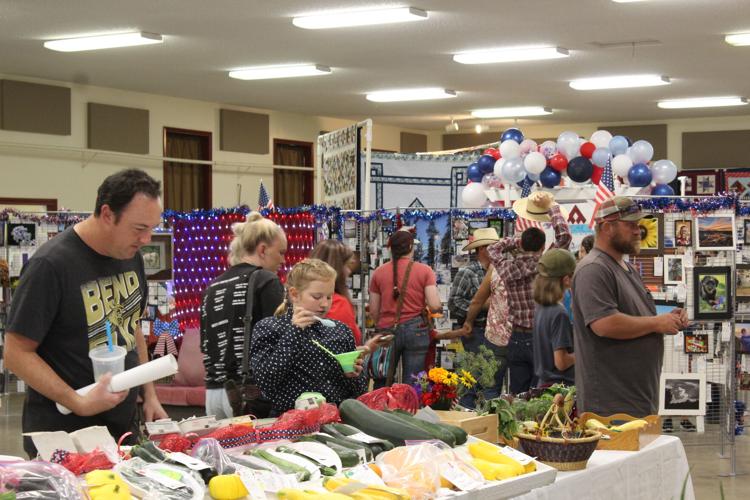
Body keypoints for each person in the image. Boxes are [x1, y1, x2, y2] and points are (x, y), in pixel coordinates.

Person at [4, 169, 168, 457]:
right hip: (64, 439)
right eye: (139, 228)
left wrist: (149, 393)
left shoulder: (131, 258)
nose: (147, 238)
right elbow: (16, 353)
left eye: (152, 228)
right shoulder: (51, 266)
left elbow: (132, 328)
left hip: (121, 432)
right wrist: (77, 401)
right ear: (107, 214)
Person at [572, 196, 690, 417]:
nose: (638, 231)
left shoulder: (625, 267)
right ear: (607, 228)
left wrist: (669, 318)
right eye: (631, 225)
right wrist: (656, 323)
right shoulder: (594, 269)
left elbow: (637, 315)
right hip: (610, 404)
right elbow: (604, 324)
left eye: (638, 225)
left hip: (634, 397)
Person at [250, 259, 367, 414]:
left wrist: (354, 376)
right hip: (289, 422)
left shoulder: (340, 331)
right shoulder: (269, 328)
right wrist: (294, 333)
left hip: (336, 420)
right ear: (294, 294)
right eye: (317, 297)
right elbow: (266, 381)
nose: (324, 304)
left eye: (329, 297)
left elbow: (360, 392)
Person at [200, 212, 286, 419]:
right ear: (263, 249)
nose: (283, 259)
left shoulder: (213, 286)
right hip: (249, 394)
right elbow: (278, 340)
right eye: (281, 252)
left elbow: (205, 342)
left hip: (213, 392)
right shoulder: (266, 280)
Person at [487, 191, 571, 394]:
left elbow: (492, 249)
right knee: (542, 391)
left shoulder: (507, 268)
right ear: (543, 246)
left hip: (516, 336)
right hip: (540, 336)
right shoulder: (545, 263)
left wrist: (515, 242)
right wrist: (552, 207)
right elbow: (564, 236)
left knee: (517, 394)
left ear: (522, 244)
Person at [369, 230, 442, 388]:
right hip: (416, 329)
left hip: (386, 330)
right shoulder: (425, 271)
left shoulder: (378, 273)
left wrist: (383, 323)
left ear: (391, 249)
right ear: (411, 247)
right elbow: (434, 305)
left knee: (382, 380)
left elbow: (374, 310)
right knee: (414, 381)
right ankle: (409, 410)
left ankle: (381, 410)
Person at [448, 228, 509, 405]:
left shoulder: (500, 271)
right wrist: (483, 306)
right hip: (476, 333)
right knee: (472, 383)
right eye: (494, 246)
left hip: (496, 335)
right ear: (483, 249)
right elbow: (454, 303)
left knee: (491, 383)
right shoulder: (467, 273)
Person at [532, 249, 577, 387]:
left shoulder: (541, 307)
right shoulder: (559, 313)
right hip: (560, 389)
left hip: (544, 385)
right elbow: (561, 362)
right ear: (566, 279)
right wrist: (585, 353)